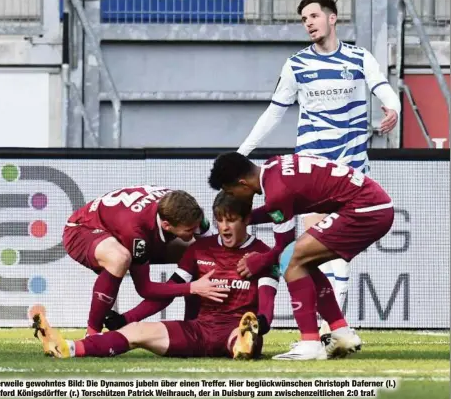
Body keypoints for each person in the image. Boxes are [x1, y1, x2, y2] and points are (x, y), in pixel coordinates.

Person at [236, 0, 401, 339]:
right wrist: (242, 152)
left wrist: (392, 107)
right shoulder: (296, 65)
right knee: (316, 249)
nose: (309, 22)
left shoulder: (359, 57)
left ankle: (330, 328)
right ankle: (331, 329)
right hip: (313, 171)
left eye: (314, 16)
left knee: (331, 251)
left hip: (352, 170)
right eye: (304, 18)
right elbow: (274, 112)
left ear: (332, 18)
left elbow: (382, 86)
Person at [32, 191, 279, 360]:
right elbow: (164, 292)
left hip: (232, 329)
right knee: (137, 331)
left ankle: (245, 342)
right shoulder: (199, 249)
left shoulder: (263, 255)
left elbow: (267, 303)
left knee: (245, 338)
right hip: (197, 331)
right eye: (220, 220)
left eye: (232, 220)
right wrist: (127, 318)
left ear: (247, 220)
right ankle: (69, 348)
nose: (224, 227)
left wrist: (263, 322)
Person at [208, 152, 394, 360]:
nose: (231, 197)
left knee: (291, 260)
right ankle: (341, 332)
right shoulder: (273, 167)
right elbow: (278, 209)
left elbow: (283, 248)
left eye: (230, 192)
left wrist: (259, 260)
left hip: (367, 210)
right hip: (372, 205)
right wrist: (246, 219)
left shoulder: (277, 192)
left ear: (243, 184)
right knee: (304, 260)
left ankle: (310, 343)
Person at [63, 186, 223, 337]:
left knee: (199, 256)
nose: (195, 231)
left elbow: (213, 251)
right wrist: (191, 287)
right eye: (189, 230)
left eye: (196, 227)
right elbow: (145, 289)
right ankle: (92, 333)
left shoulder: (190, 212)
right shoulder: (136, 232)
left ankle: (192, 329)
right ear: (166, 225)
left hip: (126, 227)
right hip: (82, 229)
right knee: (120, 258)